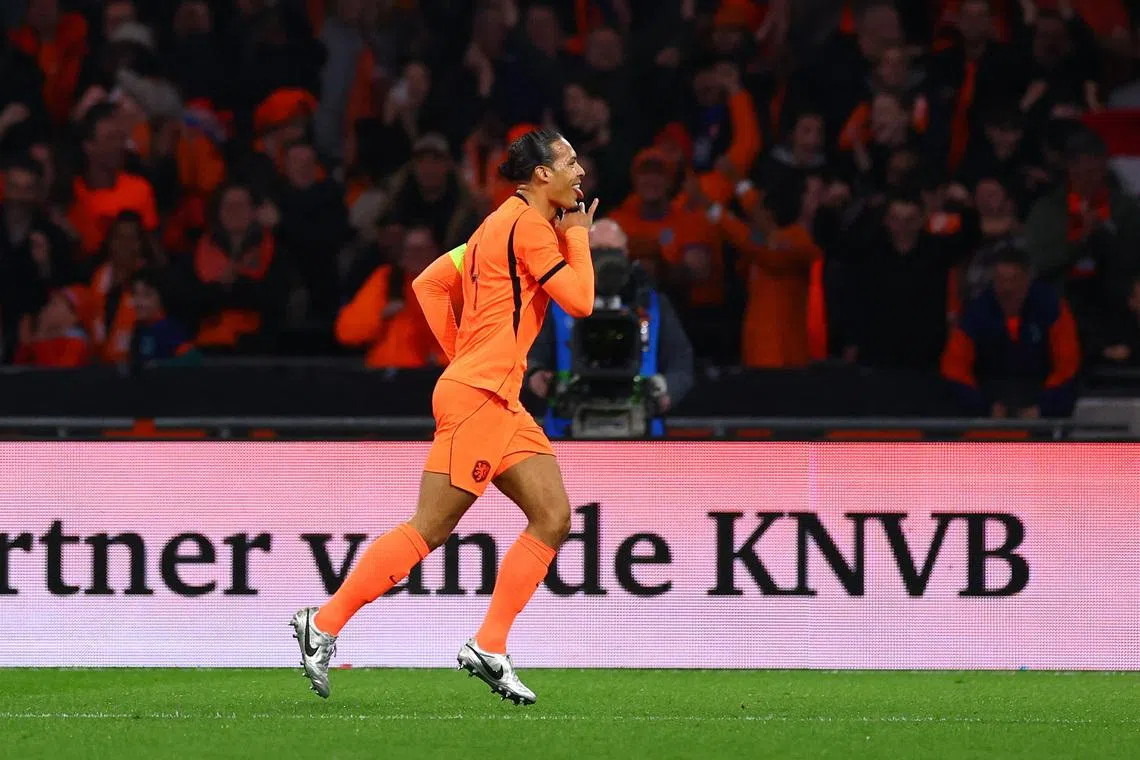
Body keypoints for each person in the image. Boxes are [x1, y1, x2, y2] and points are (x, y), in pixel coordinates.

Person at [291, 128, 596, 706]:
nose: (580, 172)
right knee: (429, 528)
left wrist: (464, 357)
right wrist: (579, 238)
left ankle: (490, 643)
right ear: (540, 175)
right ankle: (323, 622)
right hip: (481, 395)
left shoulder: (492, 226)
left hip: (494, 396)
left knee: (553, 516)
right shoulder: (531, 227)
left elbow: (428, 283)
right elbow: (579, 303)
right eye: (570, 162)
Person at [526, 218, 694, 438]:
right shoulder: (555, 302)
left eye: (612, 251)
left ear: (626, 253)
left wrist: (664, 392)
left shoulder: (653, 305)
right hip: (568, 428)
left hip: (641, 428)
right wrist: (536, 375)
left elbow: (681, 362)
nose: (605, 259)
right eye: (597, 250)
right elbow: (529, 353)